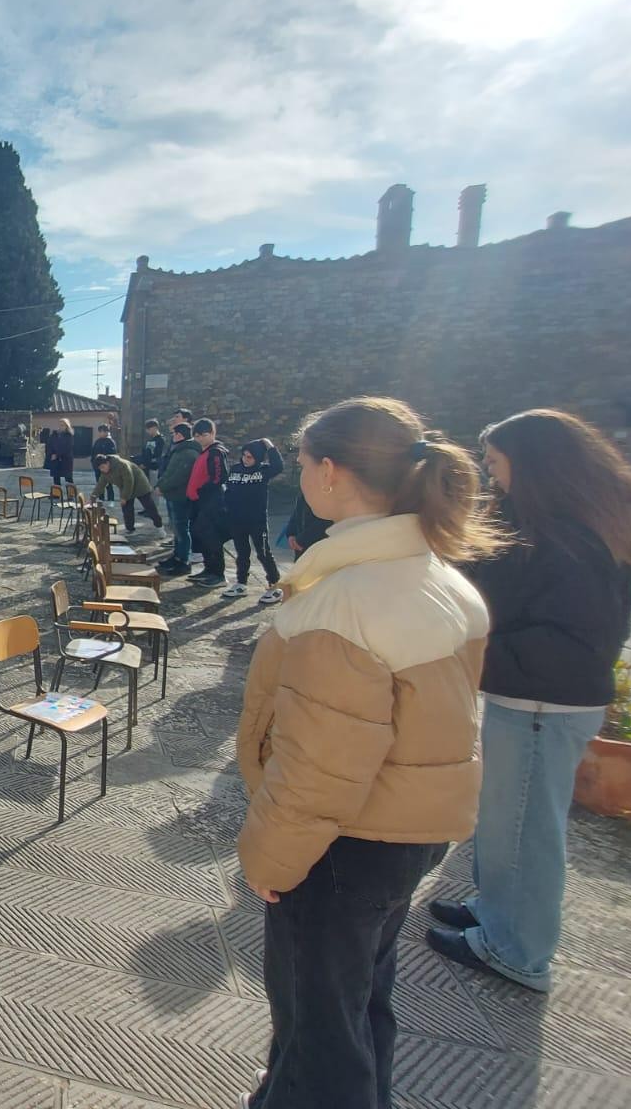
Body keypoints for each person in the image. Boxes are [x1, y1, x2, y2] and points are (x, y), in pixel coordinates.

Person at [235, 396, 493, 1109]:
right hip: (411, 831)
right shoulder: (444, 579)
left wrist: (271, 856)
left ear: (330, 471)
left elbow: (321, 762)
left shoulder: (346, 596)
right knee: (361, 1005)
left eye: (303, 461)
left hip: (341, 844)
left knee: (319, 1033)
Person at [427, 409, 631, 993]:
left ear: (533, 464)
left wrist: (477, 650)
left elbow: (565, 640)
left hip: (543, 703)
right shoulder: (567, 524)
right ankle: (496, 911)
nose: (490, 473)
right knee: (506, 821)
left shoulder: (570, 538)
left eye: (496, 462)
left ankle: (517, 950)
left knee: (527, 828)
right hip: (533, 698)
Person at [222, 438, 285, 604]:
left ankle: (275, 585)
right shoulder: (235, 469)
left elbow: (279, 466)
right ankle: (241, 583)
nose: (245, 459)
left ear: (257, 457)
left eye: (250, 457)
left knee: (263, 552)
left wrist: (269, 446)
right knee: (242, 553)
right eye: (244, 455)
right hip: (237, 519)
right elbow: (228, 491)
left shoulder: (264, 470)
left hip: (257, 520)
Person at [185, 418, 230, 587]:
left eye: (203, 435)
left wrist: (202, 491)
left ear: (211, 434)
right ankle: (209, 569)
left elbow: (219, 477)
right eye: (196, 436)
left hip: (212, 502)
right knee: (201, 535)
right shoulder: (205, 452)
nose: (200, 439)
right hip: (200, 502)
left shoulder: (216, 452)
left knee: (212, 537)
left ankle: (218, 574)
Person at [156, 422, 200, 576]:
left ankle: (184, 561)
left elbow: (178, 476)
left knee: (181, 528)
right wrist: (160, 484)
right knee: (177, 529)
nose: (172, 436)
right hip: (173, 494)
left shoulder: (188, 452)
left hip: (180, 496)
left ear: (180, 435)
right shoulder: (179, 450)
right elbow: (168, 470)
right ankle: (177, 556)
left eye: (174, 434)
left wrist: (163, 486)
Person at [90, 451, 163, 533]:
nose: (102, 470)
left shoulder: (121, 465)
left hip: (140, 485)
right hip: (125, 487)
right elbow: (100, 485)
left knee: (149, 507)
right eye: (100, 469)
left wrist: (124, 497)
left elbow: (129, 481)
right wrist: (93, 497)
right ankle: (130, 529)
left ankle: (159, 527)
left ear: (107, 463)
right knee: (126, 509)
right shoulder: (104, 473)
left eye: (103, 467)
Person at [285, 488, 331, 558]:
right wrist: (291, 534)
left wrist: (301, 540)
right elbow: (296, 515)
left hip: (319, 550)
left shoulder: (329, 494)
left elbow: (326, 521)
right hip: (302, 550)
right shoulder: (305, 492)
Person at [158, 408, 193, 478]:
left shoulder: (192, 435)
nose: (174, 419)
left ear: (186, 419)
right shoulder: (174, 434)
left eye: (177, 417)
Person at [45, 417, 75, 487]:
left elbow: (67, 447)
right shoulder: (54, 435)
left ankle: (71, 495)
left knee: (68, 478)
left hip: (66, 459)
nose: (61, 427)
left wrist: (57, 455)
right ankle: (57, 495)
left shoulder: (69, 436)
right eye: (60, 425)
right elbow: (49, 445)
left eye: (63, 425)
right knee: (56, 478)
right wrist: (51, 454)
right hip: (55, 460)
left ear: (66, 426)